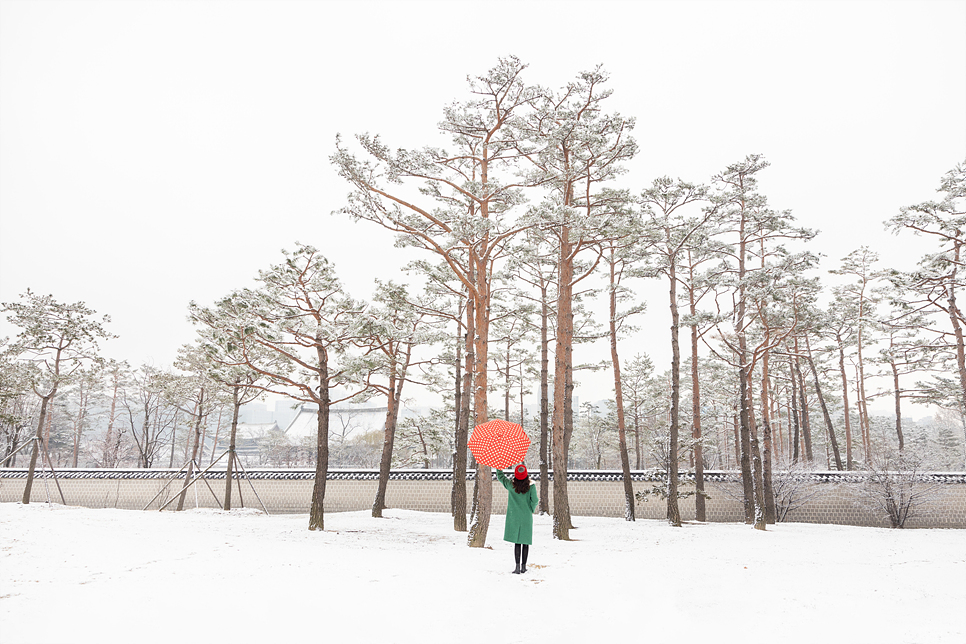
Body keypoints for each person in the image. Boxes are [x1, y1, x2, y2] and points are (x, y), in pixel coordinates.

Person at [495, 463, 539, 574]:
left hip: (514, 516)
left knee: (517, 542)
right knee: (525, 542)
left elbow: (501, 477)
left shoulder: (511, 485)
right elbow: (535, 500)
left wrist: (498, 466)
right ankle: (524, 566)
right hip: (526, 517)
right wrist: (530, 509)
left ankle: (517, 567)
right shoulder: (531, 486)